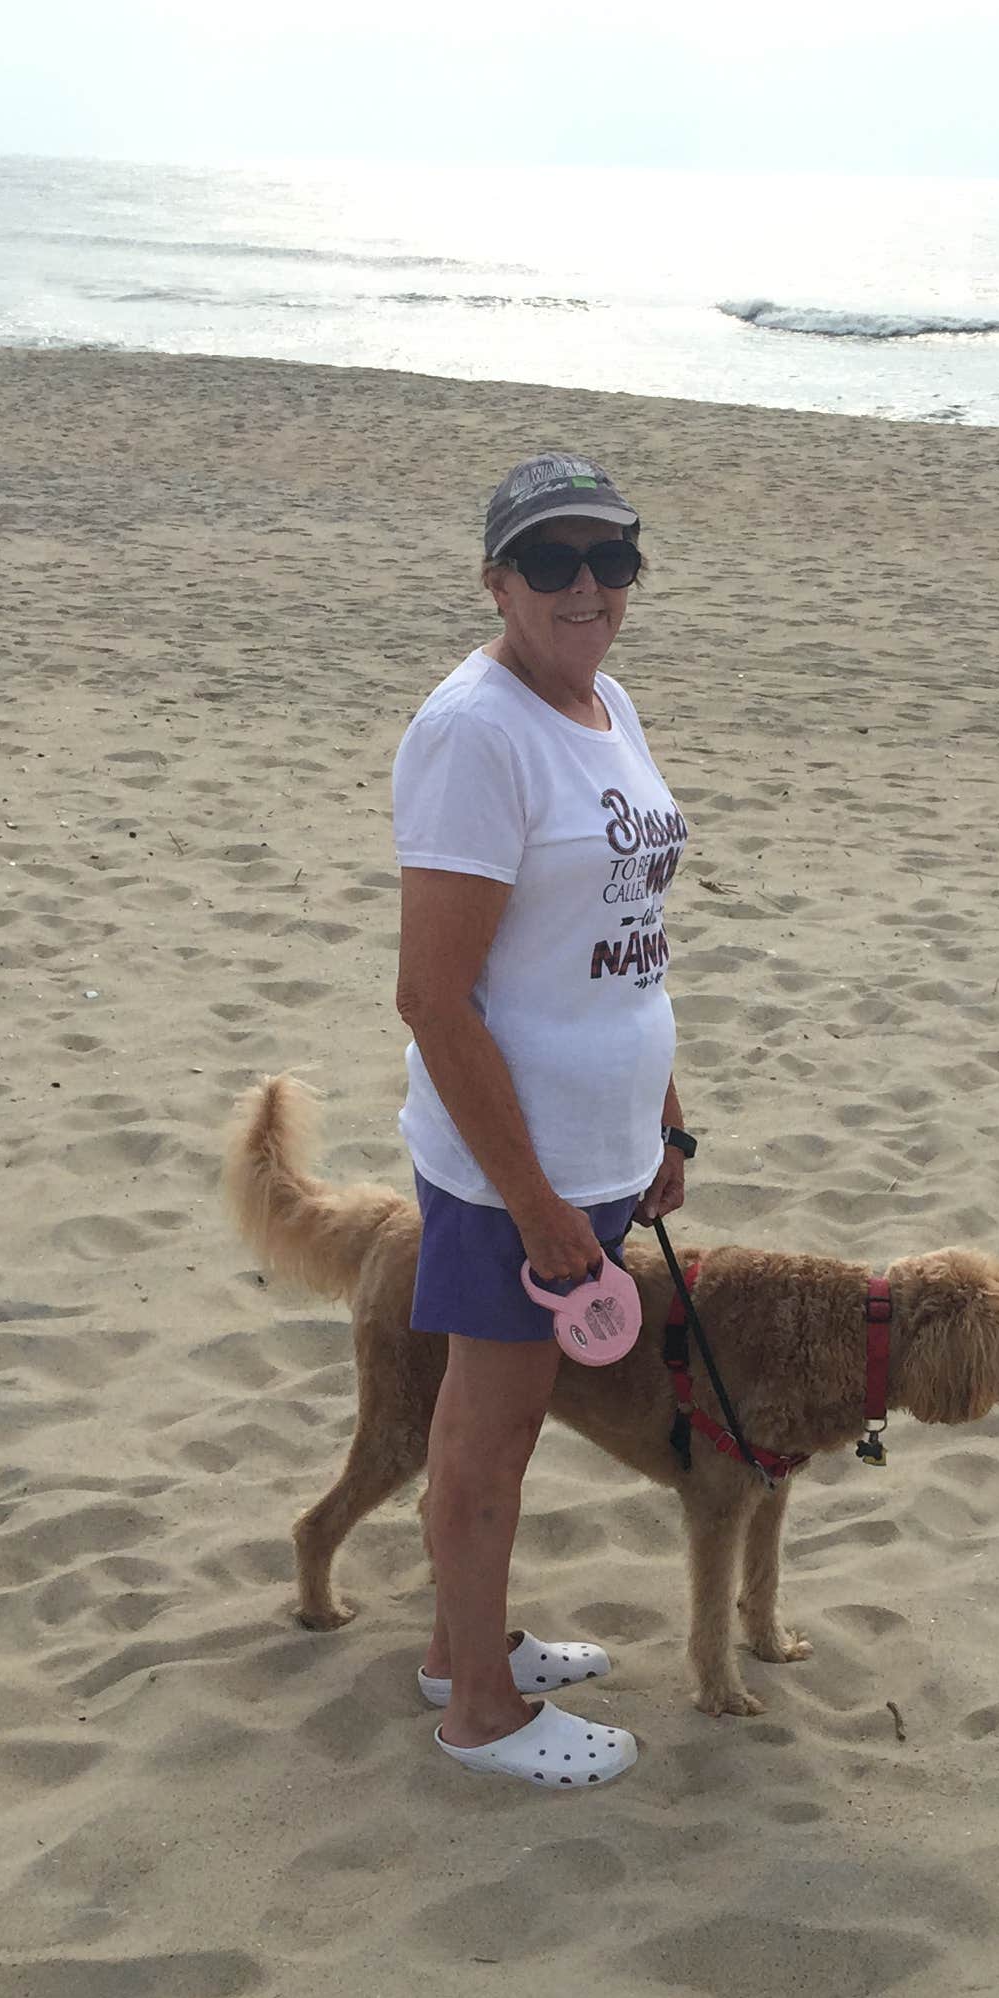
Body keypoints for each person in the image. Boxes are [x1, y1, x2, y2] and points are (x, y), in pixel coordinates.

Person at [391, 452, 693, 1789]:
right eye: (553, 563)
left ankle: (472, 1649)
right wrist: (534, 1205)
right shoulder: (476, 732)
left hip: (597, 1144)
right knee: (488, 1431)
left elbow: (626, 936)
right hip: (514, 1169)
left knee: (504, 1423)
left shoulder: (604, 701)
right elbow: (433, 995)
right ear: (496, 579)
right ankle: (478, 1719)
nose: (587, 588)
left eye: (610, 560)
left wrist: (664, 1127)